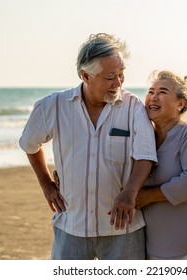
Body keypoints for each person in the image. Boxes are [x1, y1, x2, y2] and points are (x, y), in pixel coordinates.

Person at [19, 33, 157, 260]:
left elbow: (146, 156)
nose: (118, 83)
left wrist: (129, 192)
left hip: (123, 229)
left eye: (121, 75)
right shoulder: (52, 106)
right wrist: (45, 183)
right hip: (71, 227)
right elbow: (29, 144)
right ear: (86, 75)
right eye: (110, 76)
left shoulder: (133, 107)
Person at [135, 70, 187, 260]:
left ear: (180, 104)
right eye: (150, 91)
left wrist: (148, 196)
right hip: (154, 241)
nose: (153, 97)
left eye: (162, 92)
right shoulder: (142, 137)